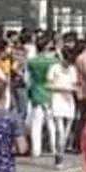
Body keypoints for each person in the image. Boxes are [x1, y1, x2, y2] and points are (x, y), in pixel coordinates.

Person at [27, 35, 60, 163]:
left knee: (36, 123)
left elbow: (28, 77)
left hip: (36, 91)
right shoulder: (53, 62)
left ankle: (36, 150)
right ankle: (53, 148)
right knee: (51, 122)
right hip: (50, 92)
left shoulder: (32, 61)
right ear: (47, 46)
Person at [49, 47, 78, 166]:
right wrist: (62, 88)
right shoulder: (54, 68)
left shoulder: (72, 69)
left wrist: (74, 89)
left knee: (66, 132)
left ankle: (61, 150)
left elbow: (75, 84)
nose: (68, 64)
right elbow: (49, 85)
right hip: (57, 100)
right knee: (59, 131)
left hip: (69, 102)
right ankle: (58, 156)